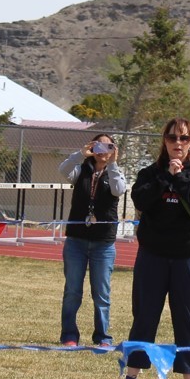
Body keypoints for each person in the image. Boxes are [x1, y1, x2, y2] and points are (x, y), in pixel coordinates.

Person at [117, 118, 190, 379]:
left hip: (188, 256)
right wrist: (165, 178)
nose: (178, 143)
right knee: (145, 316)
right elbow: (141, 200)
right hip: (153, 255)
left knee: (186, 320)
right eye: (173, 137)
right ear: (164, 140)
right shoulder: (150, 173)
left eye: (184, 139)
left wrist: (181, 178)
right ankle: (131, 377)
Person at [58, 133, 126, 347]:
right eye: (99, 145)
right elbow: (63, 170)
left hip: (103, 244)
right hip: (77, 240)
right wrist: (79, 154)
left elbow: (119, 190)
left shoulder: (116, 173)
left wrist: (113, 164)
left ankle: (102, 337)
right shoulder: (81, 170)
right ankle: (69, 335)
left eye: (108, 146)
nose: (103, 151)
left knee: (101, 294)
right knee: (72, 291)